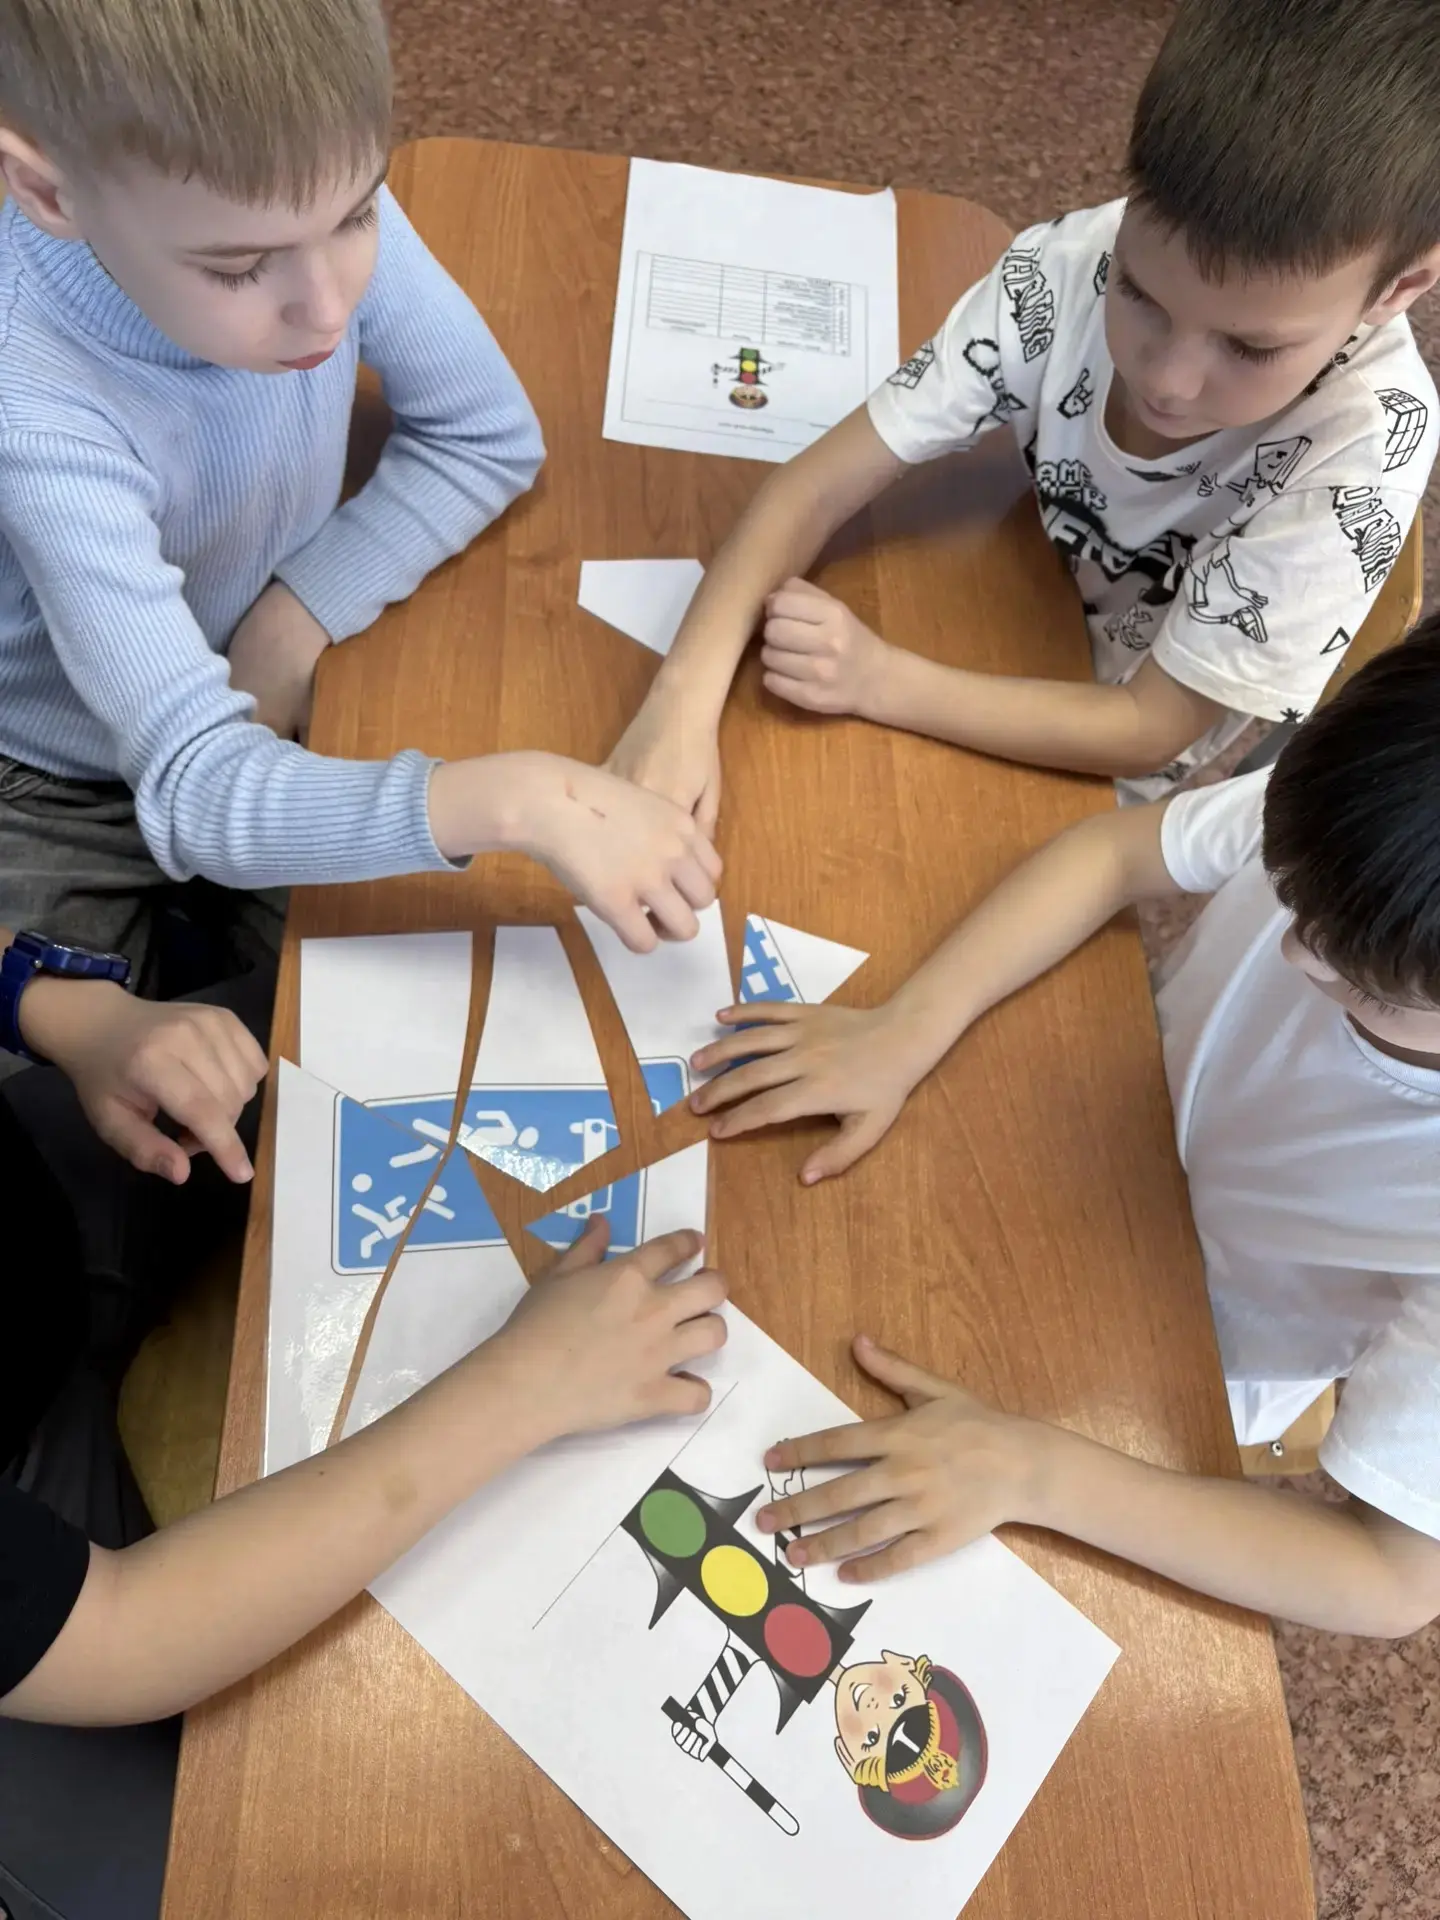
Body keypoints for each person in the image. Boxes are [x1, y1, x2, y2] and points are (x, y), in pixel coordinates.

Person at [692, 623, 1440, 1638]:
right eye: (1290, 896)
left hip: (1179, 1358)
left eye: (1368, 989)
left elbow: (1392, 1580)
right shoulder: (1376, 804)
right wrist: (910, 1024)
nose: (1300, 957)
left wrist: (1033, 1471)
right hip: (1093, 1119)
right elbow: (1115, 850)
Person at [0, 0, 719, 1028]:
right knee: (77, 1087)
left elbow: (486, 434)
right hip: (50, 780)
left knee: (427, 999)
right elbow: (198, 790)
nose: (330, 308)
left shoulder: (287, 178)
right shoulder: (32, 401)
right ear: (45, 192)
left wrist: (292, 618)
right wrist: (512, 798)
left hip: (247, 696)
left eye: (360, 215)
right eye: (238, 268)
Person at [0, 921, 726, 1916]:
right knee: (308, 1846)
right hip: (63, 1594)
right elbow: (124, 1630)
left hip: (52, 1190)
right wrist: (533, 1379)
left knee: (361, 1003)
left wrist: (45, 996)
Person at [610, 0, 1440, 818]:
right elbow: (814, 484)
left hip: (1094, 752)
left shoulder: (1362, 449)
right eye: (1138, 292)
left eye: (1250, 350)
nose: (1168, 381)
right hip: (1002, 595)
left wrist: (880, 680)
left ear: (1400, 288)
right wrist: (678, 702)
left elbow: (1148, 729)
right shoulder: (1069, 261)